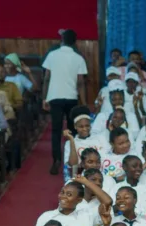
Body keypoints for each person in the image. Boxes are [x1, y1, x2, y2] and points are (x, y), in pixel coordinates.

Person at [43, 30, 89, 175]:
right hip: (71, 97)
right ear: (75, 42)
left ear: (61, 40)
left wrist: (44, 98)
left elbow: (46, 78)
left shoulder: (52, 55)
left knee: (56, 130)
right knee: (72, 131)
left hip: (54, 96)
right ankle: (73, 160)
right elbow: (81, 82)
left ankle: (56, 160)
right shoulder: (78, 58)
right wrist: (84, 102)